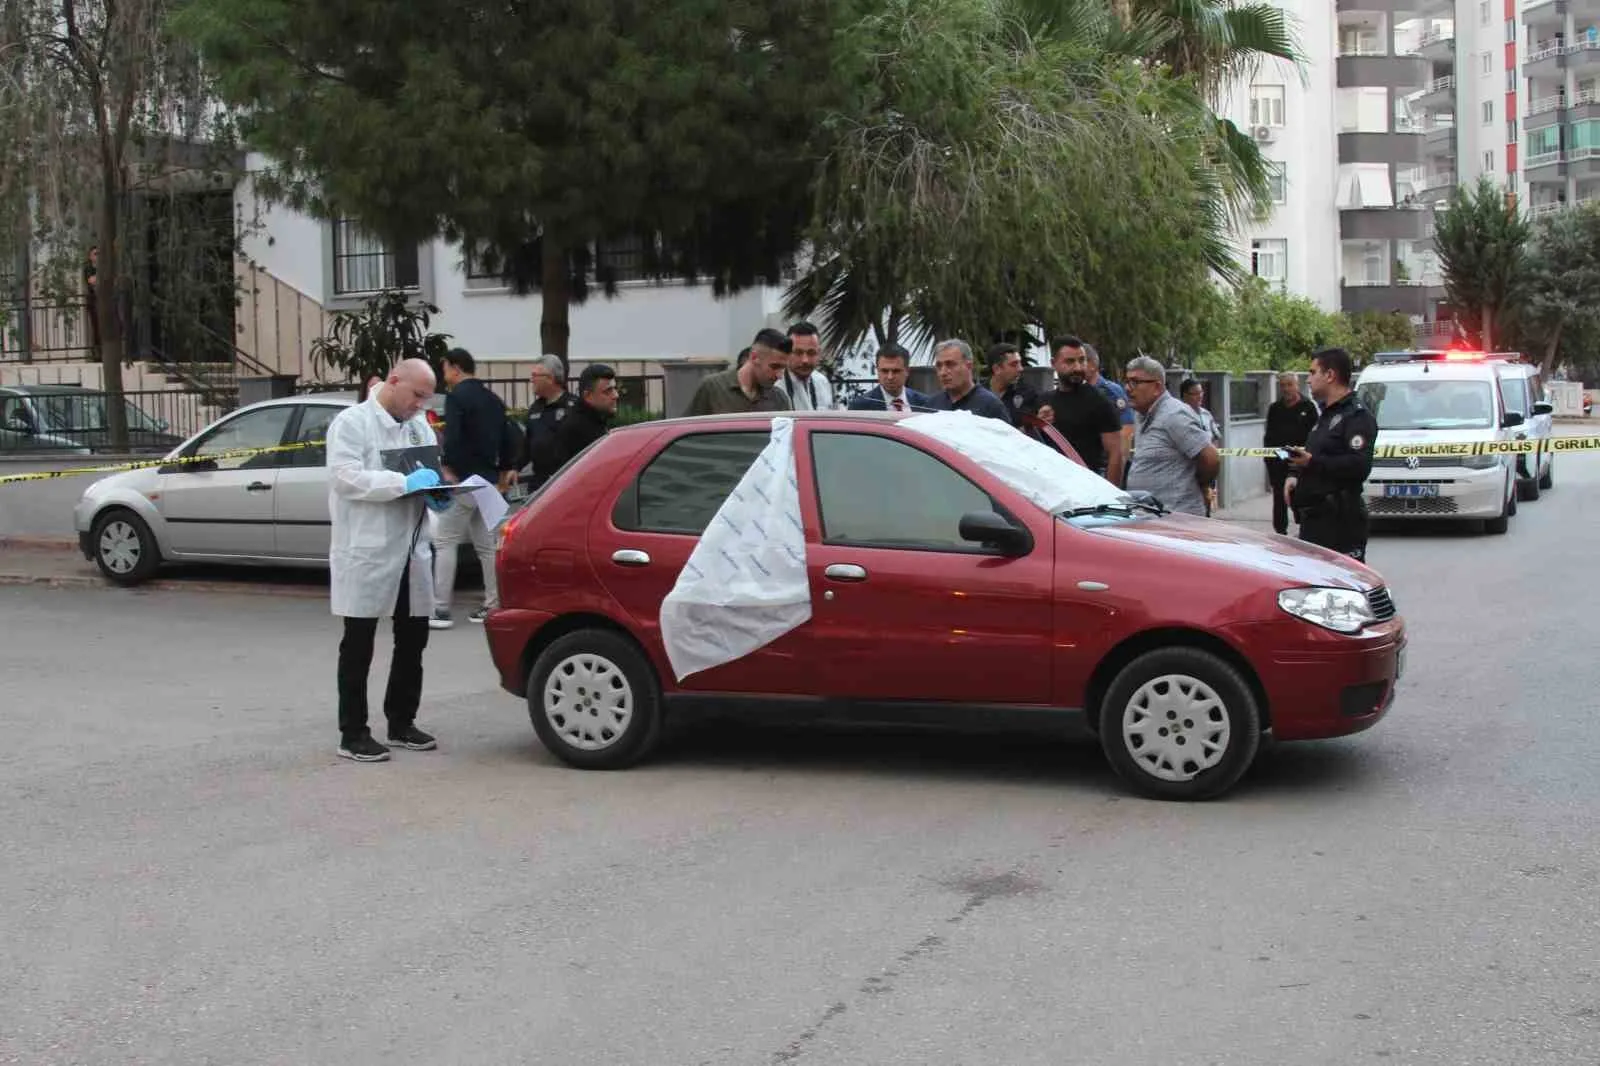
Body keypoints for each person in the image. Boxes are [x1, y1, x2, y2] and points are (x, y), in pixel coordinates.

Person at [326, 358, 452, 763]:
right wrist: (401, 483)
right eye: (416, 396)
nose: (419, 406)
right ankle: (353, 732)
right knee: (359, 642)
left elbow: (429, 469)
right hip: (367, 548)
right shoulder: (352, 423)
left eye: (426, 399)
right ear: (393, 381)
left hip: (411, 547)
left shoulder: (417, 425)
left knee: (413, 638)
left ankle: (401, 722)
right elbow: (345, 477)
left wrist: (438, 492)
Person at [431, 348, 513, 629]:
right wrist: (504, 470)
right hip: (489, 481)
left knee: (445, 541)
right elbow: (509, 435)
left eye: (445, 370)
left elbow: (452, 438)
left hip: (464, 480)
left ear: (455, 368)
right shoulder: (493, 399)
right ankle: (493, 604)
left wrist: (448, 467)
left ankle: (440, 608)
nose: (445, 377)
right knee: (487, 547)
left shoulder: (456, 398)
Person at [1287, 348, 1377, 561]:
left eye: (1312, 372)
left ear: (1329, 375)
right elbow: (1314, 453)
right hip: (1315, 521)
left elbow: (1359, 466)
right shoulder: (1326, 414)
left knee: (1342, 589)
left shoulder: (1356, 416)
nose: (1308, 380)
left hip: (1340, 523)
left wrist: (1312, 462)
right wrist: (1294, 474)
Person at [1122, 356, 1220, 517]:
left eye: (1135, 382)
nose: (1128, 388)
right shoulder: (1141, 414)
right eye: (1127, 381)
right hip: (1151, 518)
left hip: (1178, 518)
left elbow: (1211, 458)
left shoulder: (1174, 414)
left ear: (1156, 386)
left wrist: (1201, 485)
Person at [1040, 336, 1125, 485]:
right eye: (1070, 362)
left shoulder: (1099, 401)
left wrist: (1111, 496)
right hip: (1051, 485)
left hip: (1087, 487)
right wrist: (1039, 423)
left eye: (1082, 360)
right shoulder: (1044, 401)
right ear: (1054, 363)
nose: (1078, 368)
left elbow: (1116, 453)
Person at [1262, 371, 1319, 535]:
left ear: (1297, 386)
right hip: (1279, 462)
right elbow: (1269, 438)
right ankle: (1280, 534)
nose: (1286, 389)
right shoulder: (1275, 409)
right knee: (1279, 500)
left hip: (1301, 461)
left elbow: (1314, 436)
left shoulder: (1308, 407)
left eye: (1289, 385)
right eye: (1283, 385)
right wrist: (1272, 461)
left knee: (1300, 498)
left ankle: (1304, 530)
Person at [686, 329, 793, 415]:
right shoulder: (713, 388)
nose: (779, 375)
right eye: (774, 367)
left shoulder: (779, 399)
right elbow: (687, 432)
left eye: (783, 368)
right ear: (754, 357)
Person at [523, 354, 575, 492]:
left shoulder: (573, 408)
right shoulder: (535, 408)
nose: (531, 380)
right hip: (538, 485)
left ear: (550, 378)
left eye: (535, 375)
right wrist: (514, 467)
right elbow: (526, 445)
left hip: (565, 483)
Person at [925, 339, 1010, 419]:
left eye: (950, 364)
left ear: (969, 366)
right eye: (939, 366)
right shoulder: (932, 405)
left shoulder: (991, 405)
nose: (942, 372)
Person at [553, 364, 619, 461]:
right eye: (608, 391)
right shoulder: (575, 429)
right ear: (587, 396)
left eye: (614, 388)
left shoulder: (597, 419)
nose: (615, 395)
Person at [1180, 378, 1223, 515]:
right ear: (1185, 395)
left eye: (1201, 392)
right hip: (1187, 471)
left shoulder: (1206, 414)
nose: (1200, 396)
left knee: (1206, 508)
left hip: (1206, 471)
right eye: (1195, 393)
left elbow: (1215, 438)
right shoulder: (1178, 415)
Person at [1084, 343, 1134, 454]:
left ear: (1092, 365)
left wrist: (1118, 466)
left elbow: (1127, 429)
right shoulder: (1080, 391)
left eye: (1081, 361)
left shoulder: (1111, 391)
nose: (1076, 367)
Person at [848, 343, 929, 411]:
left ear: (907, 371)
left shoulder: (924, 403)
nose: (890, 377)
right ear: (877, 370)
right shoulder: (860, 406)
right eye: (884, 371)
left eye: (896, 371)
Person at [775, 321, 836, 410]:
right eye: (798, 353)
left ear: (819, 353)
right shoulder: (775, 387)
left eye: (811, 353)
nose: (805, 360)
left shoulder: (822, 382)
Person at [986, 342, 1040, 425]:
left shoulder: (1027, 394)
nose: (1020, 369)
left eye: (1020, 363)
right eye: (1014, 364)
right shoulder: (978, 395)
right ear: (996, 369)